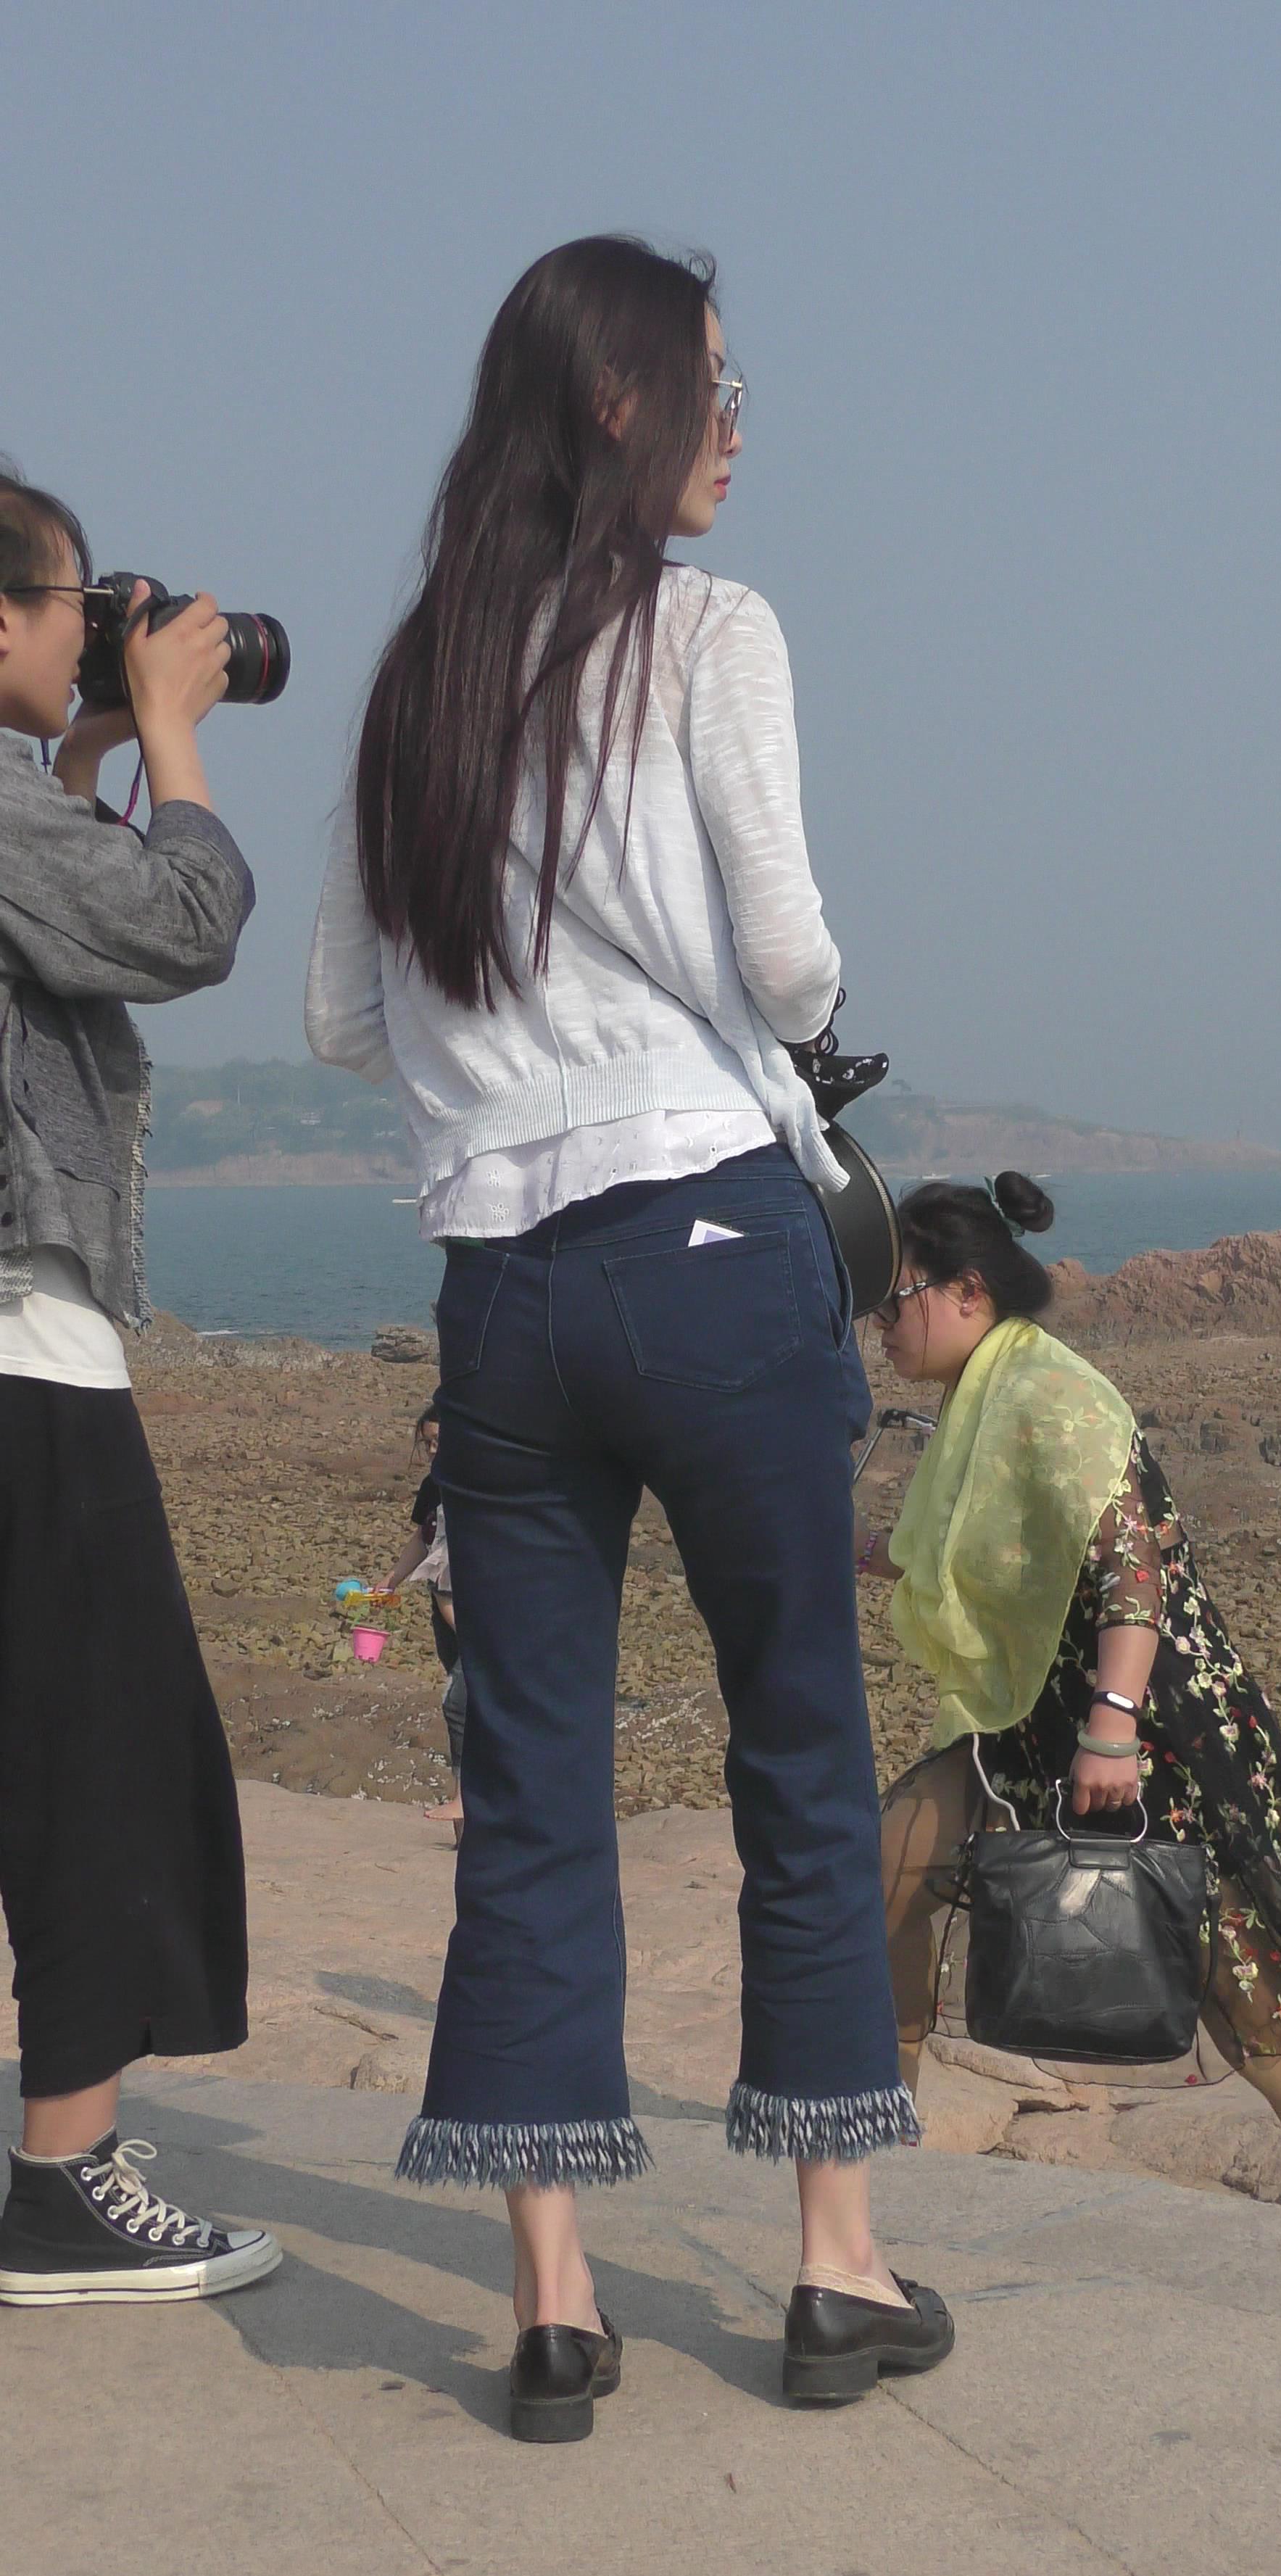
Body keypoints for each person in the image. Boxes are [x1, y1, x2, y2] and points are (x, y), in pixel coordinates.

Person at [307, 236, 950, 2433]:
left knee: (530, 1787)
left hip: (501, 1286)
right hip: (707, 1239)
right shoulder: (710, 632)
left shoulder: (414, 679)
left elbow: (338, 1014)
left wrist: (503, 1044)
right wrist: (758, 999)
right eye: (716, 386)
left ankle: (552, 2304)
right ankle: (833, 2263)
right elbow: (787, 960)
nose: (737, 427)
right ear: (619, 401)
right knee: (796, 1747)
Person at [863, 1172, 1281, 2228]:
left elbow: (1134, 1564)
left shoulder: (1049, 1395)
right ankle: (874, 2168)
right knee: (882, 1877)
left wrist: (1111, 1730)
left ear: (968, 1292)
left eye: (893, 1300)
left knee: (1248, 1999)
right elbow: (985, 1550)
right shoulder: (984, 1397)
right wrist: (858, 1551)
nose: (878, 1326)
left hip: (1146, 1733)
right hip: (1021, 1724)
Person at [0, 470, 279, 2303]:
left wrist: (86, 742)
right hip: (24, 1352)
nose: (97, 632)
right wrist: (170, 734)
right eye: (77, 606)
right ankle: (66, 2177)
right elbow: (180, 922)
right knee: (99, 1760)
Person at [379, 1405, 463, 1832]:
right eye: (427, 1443)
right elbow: (422, 1537)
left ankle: (467, 1803)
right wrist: (390, 1581)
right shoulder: (434, 1486)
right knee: (460, 1702)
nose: (432, 1451)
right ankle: (465, 1835)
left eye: (440, 1442)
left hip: (478, 1614)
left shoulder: (476, 1485)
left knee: (462, 1703)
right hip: (447, 1614)